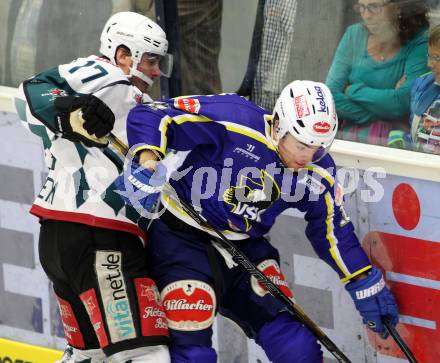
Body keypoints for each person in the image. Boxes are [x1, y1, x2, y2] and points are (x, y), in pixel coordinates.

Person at [115, 80, 399, 362]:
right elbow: (154, 113)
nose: (307, 156)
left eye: (319, 149)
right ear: (278, 126)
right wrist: (148, 160)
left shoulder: (317, 171)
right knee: (193, 354)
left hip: (246, 250)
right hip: (181, 240)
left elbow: (331, 228)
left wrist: (362, 280)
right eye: (301, 145)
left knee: (298, 349)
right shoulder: (235, 118)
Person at [14, 11, 173, 363]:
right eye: (150, 60)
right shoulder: (108, 77)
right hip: (100, 237)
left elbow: (29, 105)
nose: (156, 71)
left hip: (60, 239)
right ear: (122, 54)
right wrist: (68, 111)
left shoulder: (133, 98)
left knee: (90, 356)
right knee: (147, 354)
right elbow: (29, 93)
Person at [326, 0, 429, 146]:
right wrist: (385, 110)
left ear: (398, 7)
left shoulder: (419, 41)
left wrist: (351, 90)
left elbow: (405, 102)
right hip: (345, 141)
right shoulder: (354, 34)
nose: (366, 15)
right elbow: (329, 97)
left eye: (374, 7)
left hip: (396, 145)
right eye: (362, 7)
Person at [410, 24, 440, 154]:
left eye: (436, 58)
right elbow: (417, 133)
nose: (429, 65)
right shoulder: (424, 87)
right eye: (429, 56)